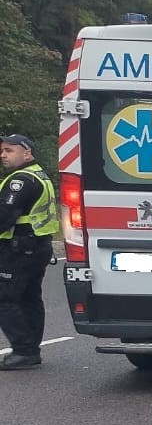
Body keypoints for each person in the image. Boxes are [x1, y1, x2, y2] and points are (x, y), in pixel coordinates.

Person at [0, 134, 58, 371]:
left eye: (9, 150)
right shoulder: (38, 175)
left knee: (5, 298)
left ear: (26, 153)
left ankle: (24, 350)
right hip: (36, 245)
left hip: (20, 248)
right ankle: (31, 349)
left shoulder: (21, 180)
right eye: (2, 150)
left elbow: (4, 216)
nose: (3, 155)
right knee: (28, 297)